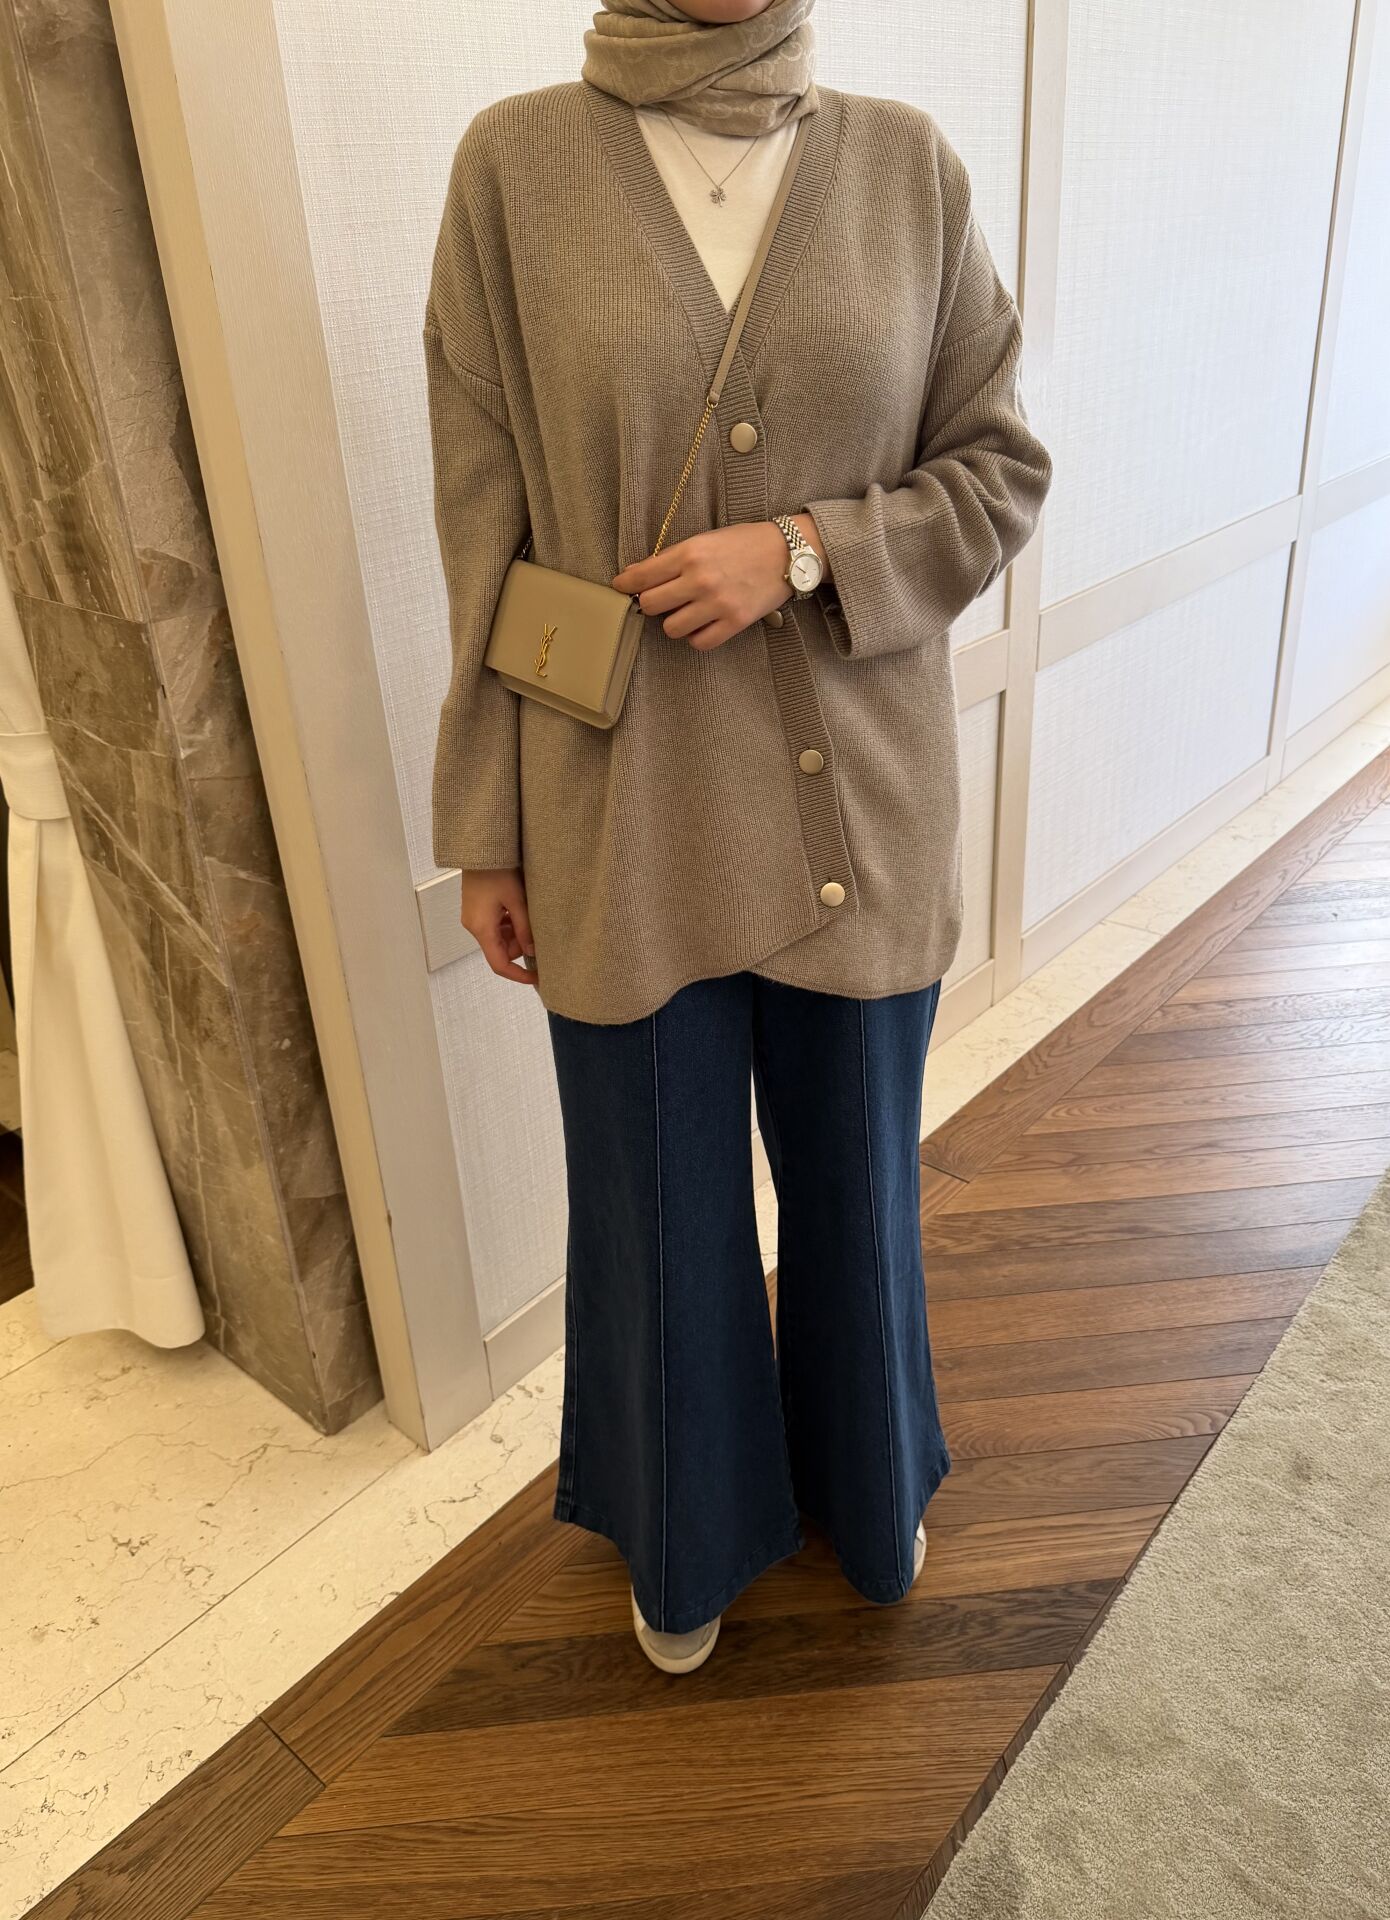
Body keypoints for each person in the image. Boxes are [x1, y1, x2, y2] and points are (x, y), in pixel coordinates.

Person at [423, 0, 1052, 1673]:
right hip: (614, 804)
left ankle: (869, 1482)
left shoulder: (906, 170)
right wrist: (486, 826)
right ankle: (682, 1524)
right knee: (652, 1202)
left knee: (856, 1183)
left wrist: (799, 551)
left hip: (861, 789)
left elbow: (997, 467)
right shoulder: (513, 170)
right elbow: (481, 526)